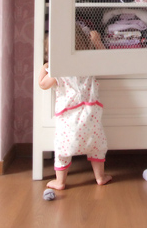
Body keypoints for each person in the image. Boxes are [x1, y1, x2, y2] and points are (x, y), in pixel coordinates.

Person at [39, 25, 112, 189]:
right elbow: (106, 60)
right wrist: (97, 41)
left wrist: (44, 67)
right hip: (91, 114)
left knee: (62, 149)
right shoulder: (89, 62)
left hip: (69, 118)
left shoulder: (58, 68)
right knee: (96, 147)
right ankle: (100, 177)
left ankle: (60, 181)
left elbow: (43, 84)